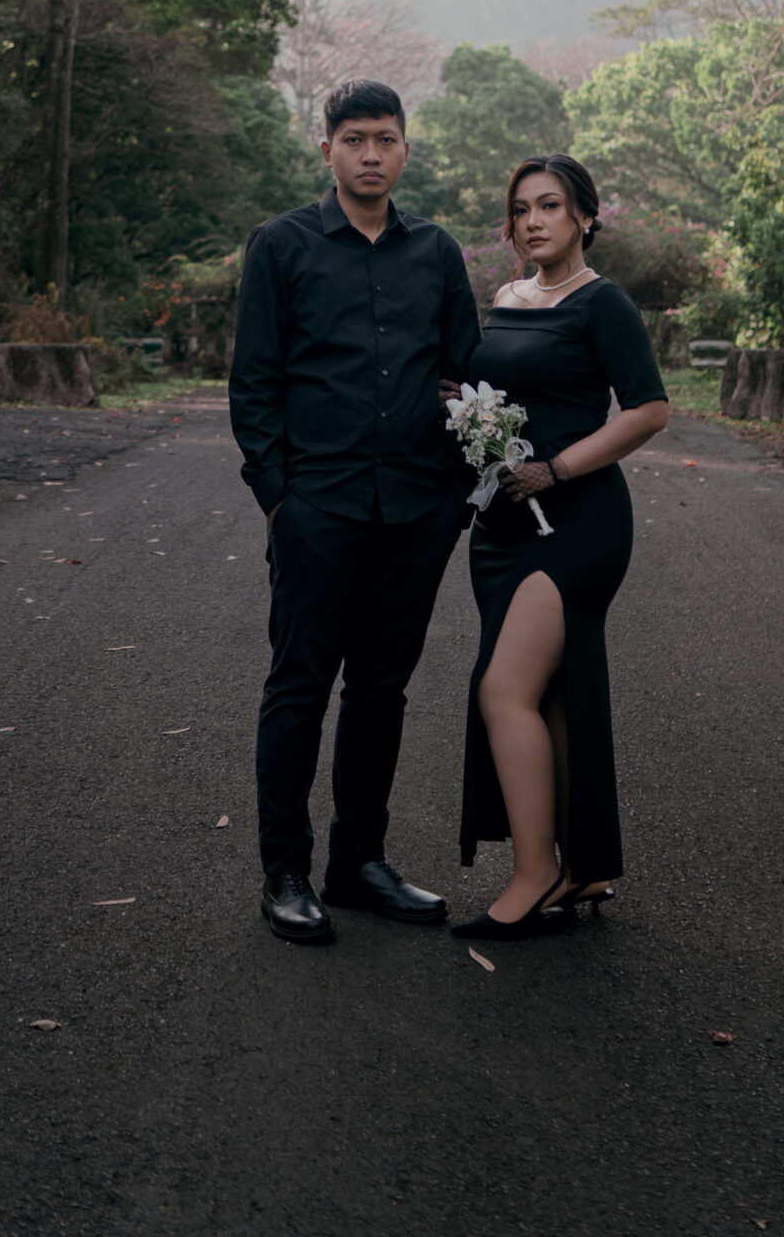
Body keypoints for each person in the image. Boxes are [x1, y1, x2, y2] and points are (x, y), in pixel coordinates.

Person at [229, 77, 482, 947]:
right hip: (317, 508)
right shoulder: (282, 245)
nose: (370, 154)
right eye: (353, 139)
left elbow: (466, 373)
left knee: (381, 690)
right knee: (298, 686)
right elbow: (255, 381)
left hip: (415, 509)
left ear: (405, 148)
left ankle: (358, 863)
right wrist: (277, 500)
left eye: (385, 139)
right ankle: (284, 872)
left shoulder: (435, 251)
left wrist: (453, 496)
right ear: (327, 149)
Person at [452, 153, 669, 941]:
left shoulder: (602, 303)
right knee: (549, 695)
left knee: (502, 690)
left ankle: (534, 873)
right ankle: (585, 866)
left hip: (575, 523)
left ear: (584, 216)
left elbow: (647, 409)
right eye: (520, 209)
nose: (533, 221)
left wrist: (557, 468)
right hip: (503, 526)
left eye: (549, 205)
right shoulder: (505, 299)